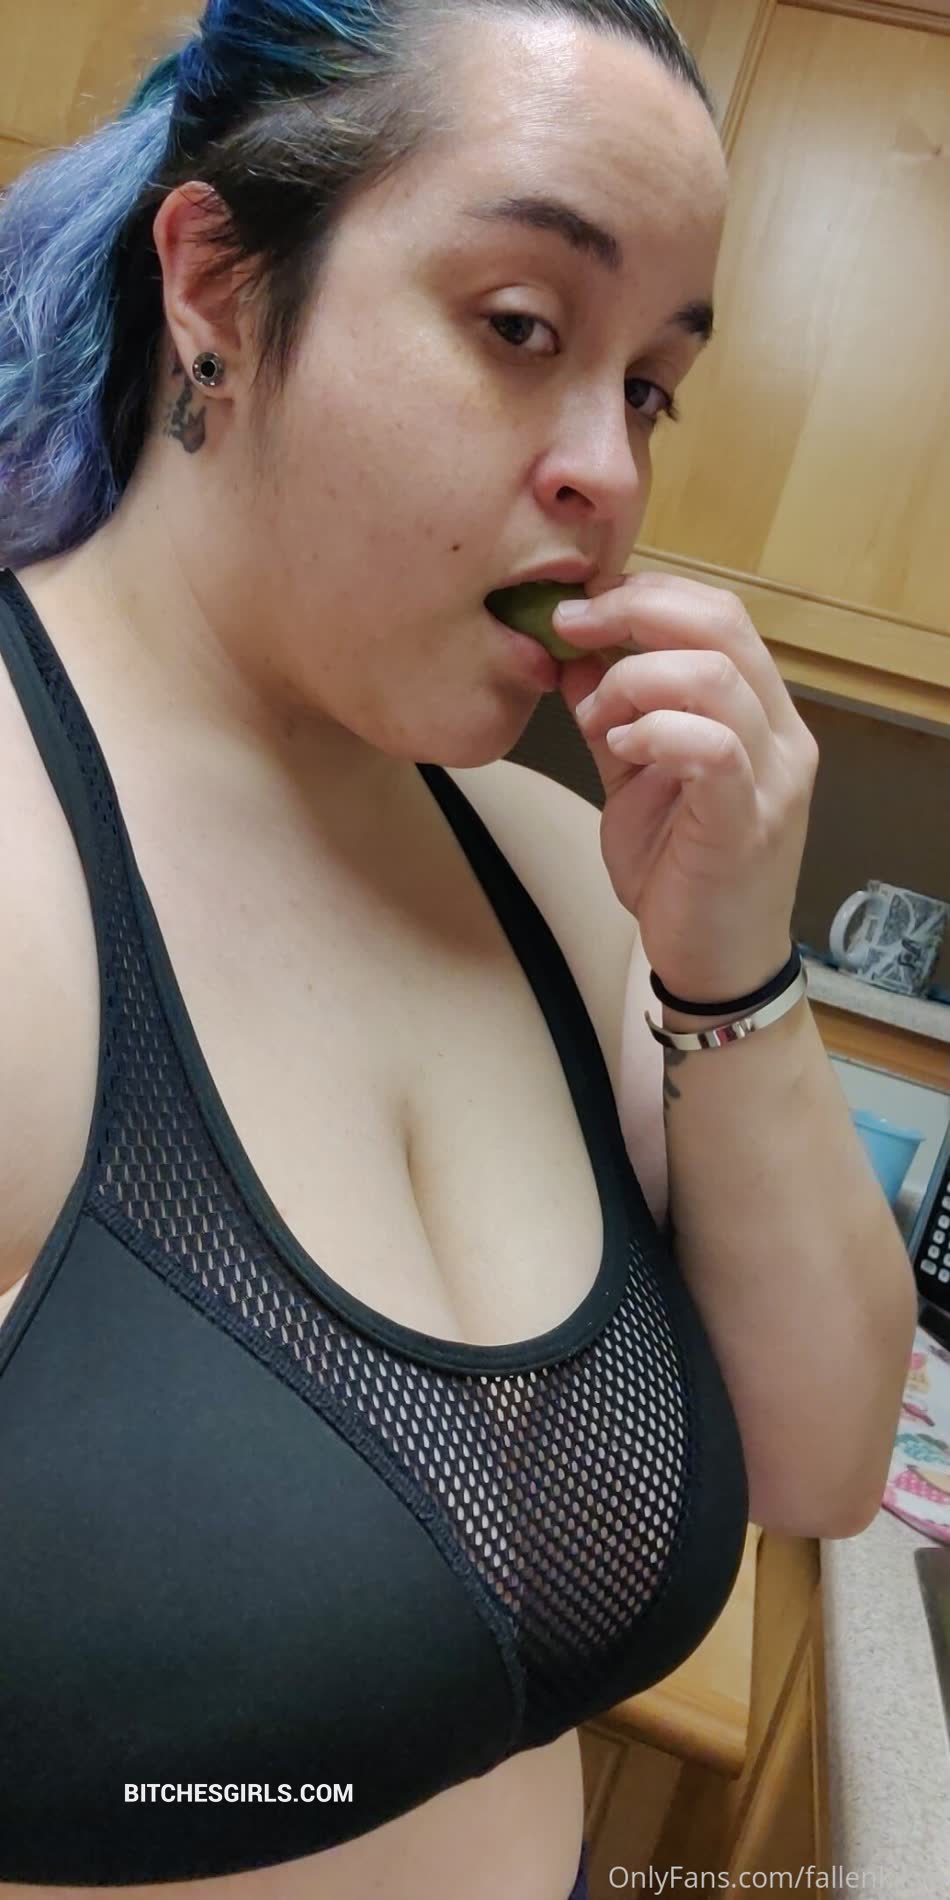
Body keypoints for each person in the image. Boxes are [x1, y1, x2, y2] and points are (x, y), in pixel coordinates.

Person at [0, 1, 918, 1895]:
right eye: (518, 327)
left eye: (649, 388)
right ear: (216, 284)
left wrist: (734, 961)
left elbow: (825, 1463)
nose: (607, 473)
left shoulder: (566, 876)